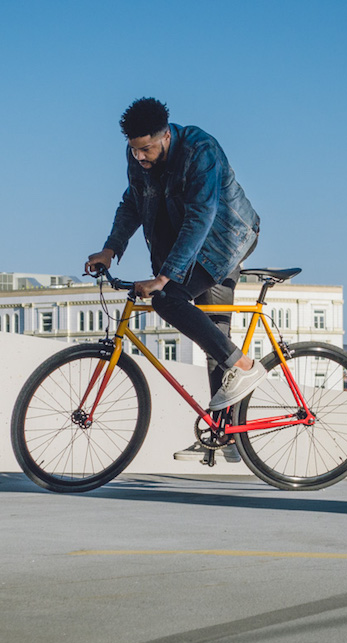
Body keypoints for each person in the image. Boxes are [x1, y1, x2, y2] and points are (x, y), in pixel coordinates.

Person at [84, 97, 265, 463]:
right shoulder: (138, 156)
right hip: (183, 248)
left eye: (147, 149)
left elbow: (201, 216)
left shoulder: (201, 150)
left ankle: (244, 367)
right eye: (134, 150)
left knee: (169, 301)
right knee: (213, 337)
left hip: (223, 242)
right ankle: (224, 435)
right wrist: (110, 248)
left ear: (166, 136)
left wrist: (165, 277)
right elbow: (132, 203)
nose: (140, 157)